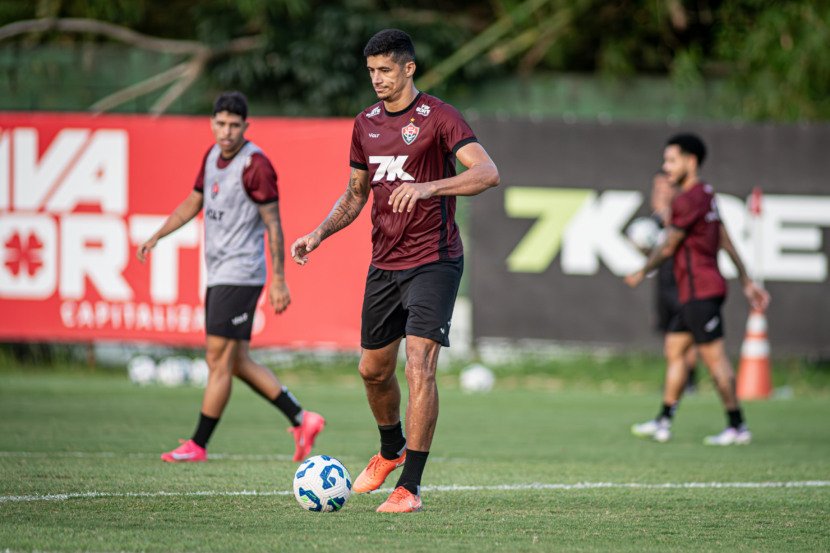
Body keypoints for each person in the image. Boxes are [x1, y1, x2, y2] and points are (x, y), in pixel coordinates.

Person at [290, 29, 499, 512]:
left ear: (409, 68)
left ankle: (411, 486)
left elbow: (487, 172)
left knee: (420, 365)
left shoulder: (439, 117)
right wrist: (318, 233)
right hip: (385, 263)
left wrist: (430, 188)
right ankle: (391, 449)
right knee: (372, 371)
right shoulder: (364, 124)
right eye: (371, 72)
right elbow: (355, 195)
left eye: (385, 70)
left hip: (435, 260)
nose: (377, 80)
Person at [137, 91, 325, 463]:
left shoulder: (255, 165)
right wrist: (158, 234)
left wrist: (279, 280)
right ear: (212, 123)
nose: (226, 131)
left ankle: (198, 444)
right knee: (236, 361)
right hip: (219, 272)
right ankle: (303, 419)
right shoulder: (211, 157)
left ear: (245, 126)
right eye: (220, 123)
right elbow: (195, 201)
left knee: (217, 360)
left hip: (241, 273)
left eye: (234, 125)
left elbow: (273, 224)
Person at [625, 133, 769, 445]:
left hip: (701, 291)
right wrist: (745, 279)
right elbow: (725, 238)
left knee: (715, 359)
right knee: (675, 350)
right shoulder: (706, 194)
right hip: (691, 292)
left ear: (691, 161)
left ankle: (737, 426)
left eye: (671, 160)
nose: (666, 166)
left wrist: (642, 270)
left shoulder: (688, 199)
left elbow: (668, 246)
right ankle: (663, 421)